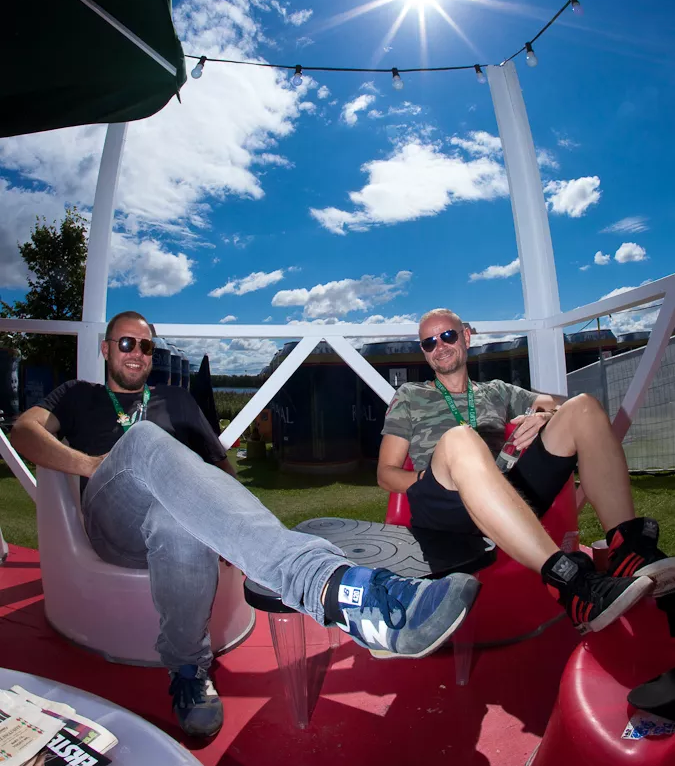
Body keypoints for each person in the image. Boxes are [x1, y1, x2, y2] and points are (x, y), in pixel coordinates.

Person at [10, 311, 480, 739]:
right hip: (113, 517)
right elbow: (24, 431)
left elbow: (220, 467)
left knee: (177, 526)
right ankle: (333, 586)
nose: (137, 353)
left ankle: (189, 671)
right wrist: (92, 464)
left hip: (173, 521)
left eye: (146, 346)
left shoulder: (176, 399)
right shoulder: (78, 395)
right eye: (127, 344)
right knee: (143, 438)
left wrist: (226, 525)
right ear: (106, 348)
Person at [378, 308, 675, 635]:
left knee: (583, 408)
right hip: (445, 506)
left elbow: (553, 402)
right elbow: (386, 473)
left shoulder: (496, 391)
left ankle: (628, 551)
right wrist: (428, 478)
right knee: (460, 438)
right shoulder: (410, 396)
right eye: (429, 342)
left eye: (447, 336)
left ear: (466, 337)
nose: (440, 346)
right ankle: (572, 584)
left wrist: (545, 416)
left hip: (506, 491)